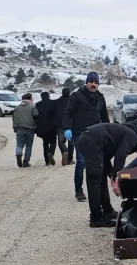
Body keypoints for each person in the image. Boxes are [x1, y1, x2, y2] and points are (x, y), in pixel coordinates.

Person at [76, 122, 137, 228]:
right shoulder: (133, 137)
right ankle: (96, 218)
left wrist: (112, 174)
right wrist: (117, 180)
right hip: (91, 140)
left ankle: (107, 211)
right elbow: (120, 157)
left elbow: (106, 159)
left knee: (101, 176)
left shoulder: (121, 134)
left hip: (90, 139)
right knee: (94, 179)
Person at [62, 72, 110, 202]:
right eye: (91, 82)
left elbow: (105, 117)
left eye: (96, 82)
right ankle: (79, 190)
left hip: (96, 135)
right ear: (86, 83)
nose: (93, 84)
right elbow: (67, 113)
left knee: (96, 164)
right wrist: (67, 128)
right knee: (82, 162)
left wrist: (108, 132)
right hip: (79, 134)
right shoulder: (76, 96)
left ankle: (96, 190)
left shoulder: (100, 98)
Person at [12, 93, 39, 168]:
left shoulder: (17, 107)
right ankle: (26, 162)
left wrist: (15, 128)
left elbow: (14, 118)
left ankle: (18, 154)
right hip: (30, 129)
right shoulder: (33, 106)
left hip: (19, 128)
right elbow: (36, 115)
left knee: (19, 144)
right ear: (30, 99)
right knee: (29, 145)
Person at [35, 91, 57, 166]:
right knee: (53, 142)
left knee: (45, 143)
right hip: (52, 126)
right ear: (48, 96)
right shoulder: (54, 103)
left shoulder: (38, 104)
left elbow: (36, 115)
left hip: (42, 127)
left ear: (41, 97)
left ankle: (47, 160)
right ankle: (51, 153)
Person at [52, 87, 72, 166]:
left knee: (61, 141)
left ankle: (64, 151)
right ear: (69, 93)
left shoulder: (56, 102)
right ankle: (69, 160)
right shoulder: (72, 101)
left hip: (60, 124)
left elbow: (53, 113)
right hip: (70, 123)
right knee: (71, 141)